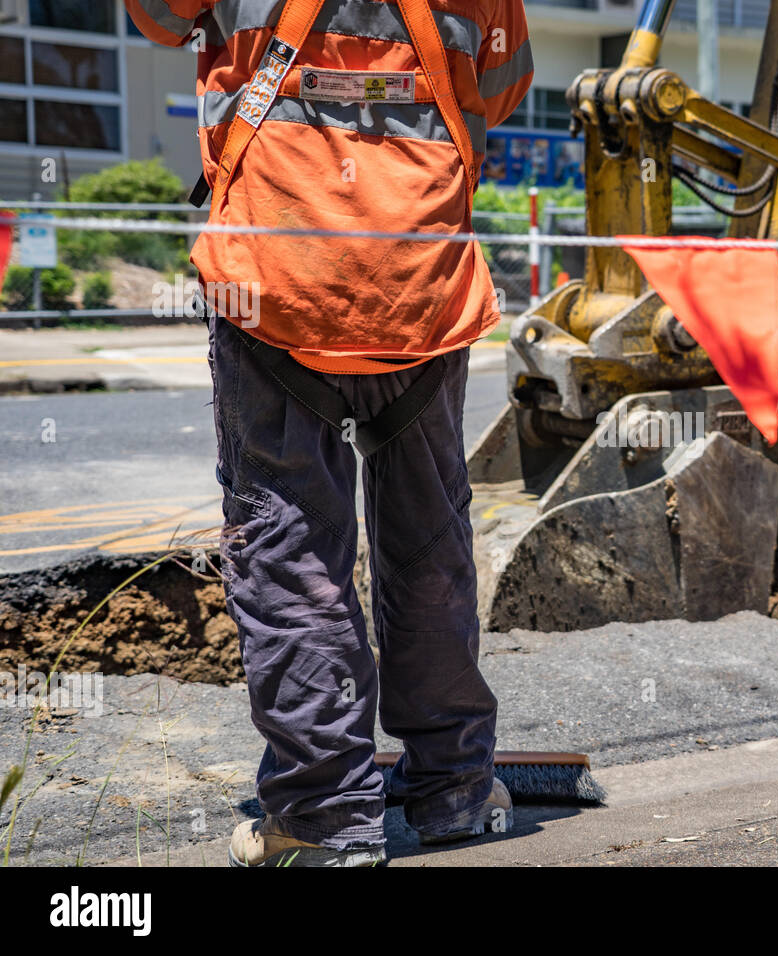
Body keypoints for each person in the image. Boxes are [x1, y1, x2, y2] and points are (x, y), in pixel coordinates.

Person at [126, 0, 532, 866]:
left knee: (290, 557)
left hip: (278, 283)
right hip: (420, 284)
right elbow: (498, 91)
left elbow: (157, 20)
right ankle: (452, 789)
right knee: (429, 547)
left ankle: (322, 815)